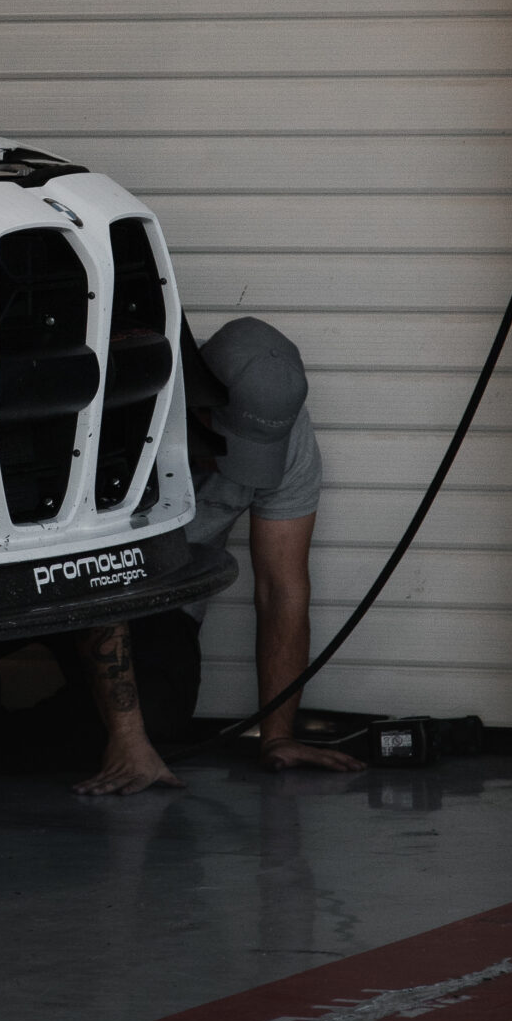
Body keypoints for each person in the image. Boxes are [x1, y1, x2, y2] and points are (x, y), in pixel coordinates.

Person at [67, 316, 365, 796]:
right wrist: (126, 735)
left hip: (160, 600)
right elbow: (99, 571)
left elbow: (281, 587)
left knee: (160, 726)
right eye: (224, 440)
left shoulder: (287, 435)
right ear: (197, 393)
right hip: (75, 581)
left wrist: (278, 735)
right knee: (118, 735)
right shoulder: (128, 411)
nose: (230, 464)